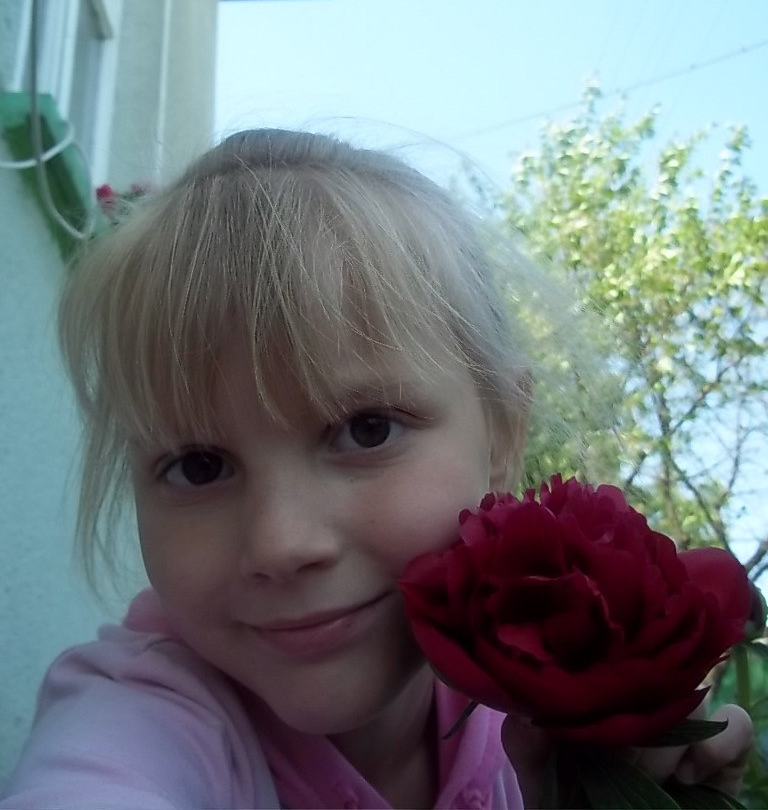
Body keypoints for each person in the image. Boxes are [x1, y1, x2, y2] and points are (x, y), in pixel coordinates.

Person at [1, 129, 753, 809]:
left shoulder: (546, 729)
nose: (281, 544)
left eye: (366, 430)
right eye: (198, 466)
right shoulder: (144, 714)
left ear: (503, 434)